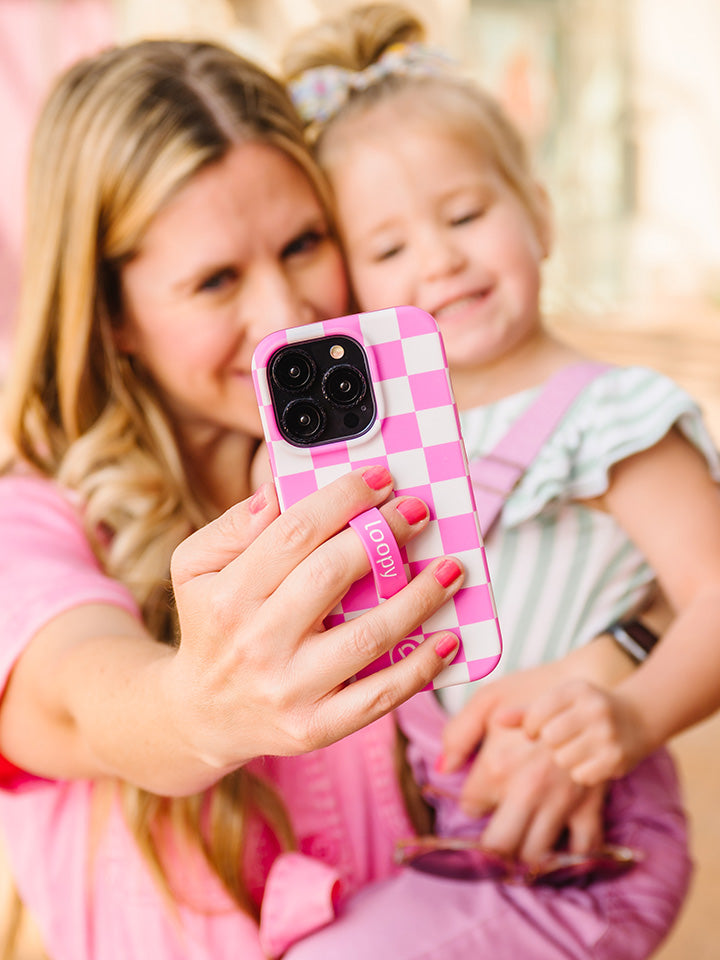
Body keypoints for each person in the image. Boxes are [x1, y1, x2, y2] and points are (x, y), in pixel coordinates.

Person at [0, 38, 484, 960]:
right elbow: (75, 701)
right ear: (111, 313)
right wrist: (194, 707)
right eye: (216, 280)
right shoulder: (27, 526)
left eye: (305, 243)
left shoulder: (429, 453)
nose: (284, 312)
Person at [280, 3, 720, 957]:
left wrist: (633, 713)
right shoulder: (381, 453)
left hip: (578, 845)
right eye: (390, 248)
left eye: (466, 215)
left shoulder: (613, 415)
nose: (438, 258)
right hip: (446, 834)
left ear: (541, 214)